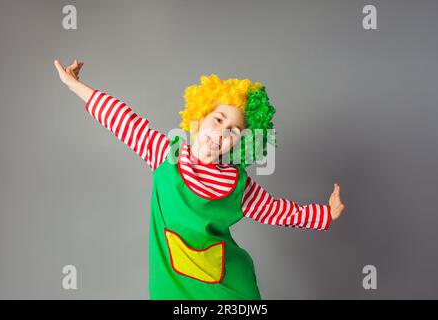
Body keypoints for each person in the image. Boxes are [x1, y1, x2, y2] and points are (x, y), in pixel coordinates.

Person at [53, 59, 345, 299]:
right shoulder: (164, 154)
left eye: (233, 131)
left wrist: (323, 214)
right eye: (218, 120)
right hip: (174, 288)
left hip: (226, 287)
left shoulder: (239, 187)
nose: (221, 133)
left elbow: (277, 211)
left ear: (241, 143)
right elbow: (120, 119)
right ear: (201, 116)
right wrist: (76, 86)